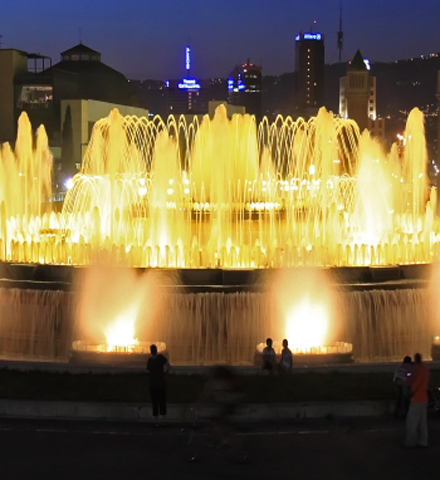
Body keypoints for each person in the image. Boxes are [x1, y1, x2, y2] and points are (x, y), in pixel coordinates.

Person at [405, 353, 429, 447]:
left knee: (412, 421)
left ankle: (410, 442)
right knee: (422, 422)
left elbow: (415, 383)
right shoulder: (425, 369)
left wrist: (410, 391)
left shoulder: (417, 370)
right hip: (424, 398)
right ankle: (424, 441)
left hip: (416, 399)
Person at [146, 344, 170, 426]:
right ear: (156, 350)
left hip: (153, 384)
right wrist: (165, 373)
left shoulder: (150, 360)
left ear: (150, 351)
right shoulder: (161, 358)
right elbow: (168, 366)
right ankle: (165, 420)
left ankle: (156, 421)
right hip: (161, 383)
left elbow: (148, 370)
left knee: (155, 402)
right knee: (162, 401)